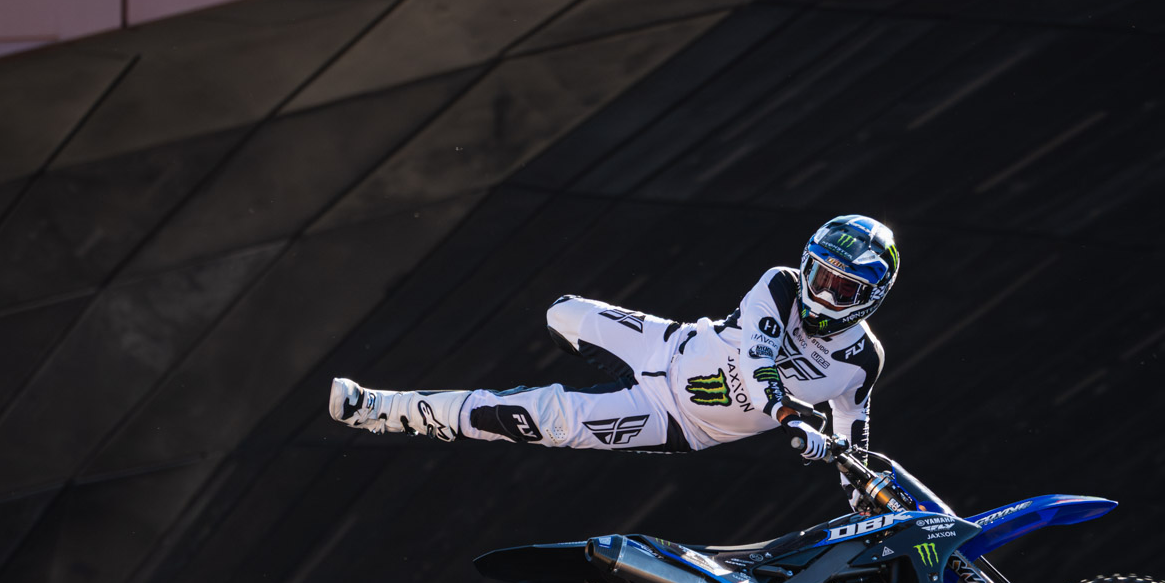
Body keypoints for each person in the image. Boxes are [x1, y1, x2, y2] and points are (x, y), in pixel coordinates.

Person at [328, 214, 897, 510]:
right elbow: (757, 356)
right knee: (561, 312)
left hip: (674, 420)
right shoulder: (780, 284)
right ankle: (604, 374)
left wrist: (870, 504)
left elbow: (856, 445)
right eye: (819, 275)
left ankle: (385, 410)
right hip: (669, 345)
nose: (823, 295)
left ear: (871, 298)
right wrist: (787, 413)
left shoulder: (863, 362)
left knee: (535, 417)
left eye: (843, 289)